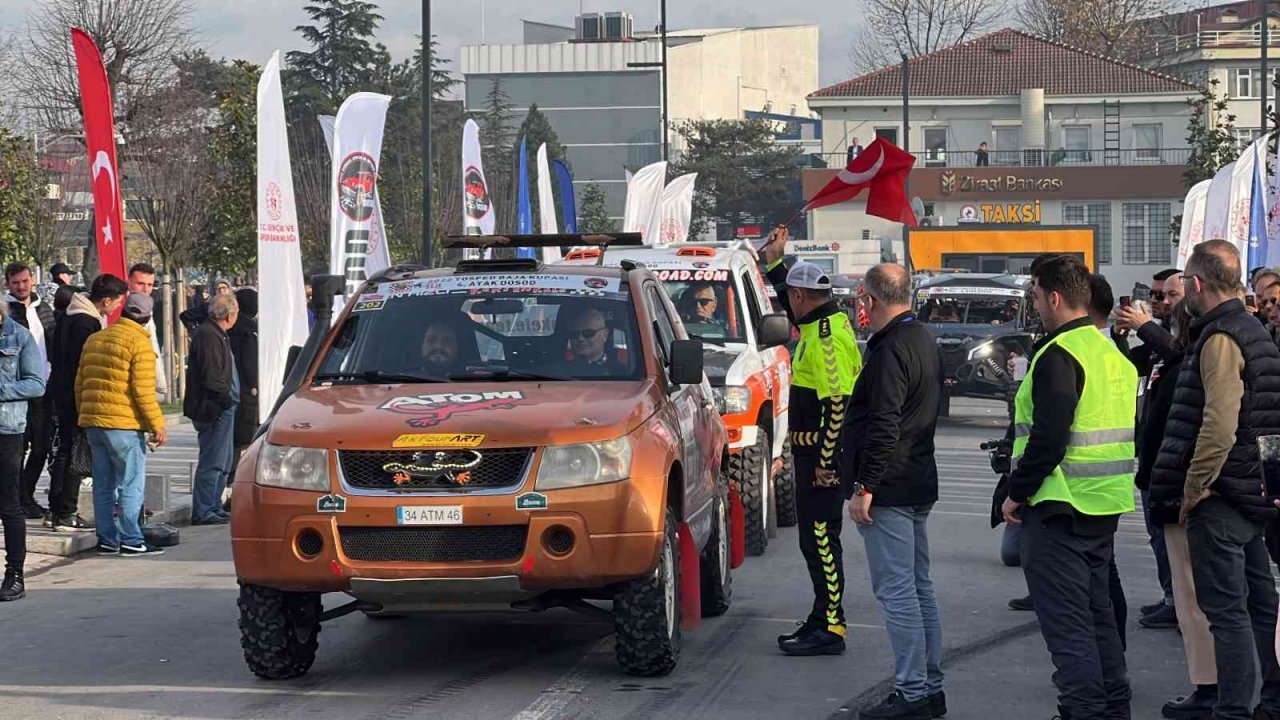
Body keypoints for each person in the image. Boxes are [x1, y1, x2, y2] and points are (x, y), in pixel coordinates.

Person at [1001, 255, 1136, 720]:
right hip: (1103, 506)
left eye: (1036, 296)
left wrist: (1015, 492)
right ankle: (1114, 710)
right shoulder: (1110, 354)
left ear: (1054, 297)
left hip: (1059, 507)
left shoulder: (1058, 355)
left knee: (1070, 631)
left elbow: (1049, 438)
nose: (1035, 305)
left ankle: (1084, 712)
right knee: (1099, 624)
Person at [1150, 240, 1280, 720]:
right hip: (1251, 490)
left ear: (1197, 284)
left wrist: (1194, 487)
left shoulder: (1221, 336)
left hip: (1222, 495)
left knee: (1226, 611)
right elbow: (1268, 422)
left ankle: (1232, 710)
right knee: (1261, 605)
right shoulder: (1256, 331)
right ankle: (1270, 699)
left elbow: (1218, 421)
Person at [845, 264, 945, 720]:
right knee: (918, 588)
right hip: (917, 478)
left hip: (892, 486)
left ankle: (913, 692)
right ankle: (928, 686)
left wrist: (866, 486)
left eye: (861, 300)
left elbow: (884, 423)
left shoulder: (889, 350)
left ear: (869, 301)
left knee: (898, 592)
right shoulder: (922, 338)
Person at [762, 227, 862, 657]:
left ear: (803, 300)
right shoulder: (823, 320)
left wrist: (825, 461)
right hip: (812, 455)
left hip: (820, 459)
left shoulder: (824, 340)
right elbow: (792, 298)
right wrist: (774, 262)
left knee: (821, 539)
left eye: (793, 298)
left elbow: (837, 403)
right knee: (814, 539)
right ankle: (823, 615)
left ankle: (832, 625)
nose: (790, 305)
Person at [1111, 272, 1188, 633]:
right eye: (1157, 294)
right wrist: (1120, 337)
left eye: (1170, 294)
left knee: (1171, 537)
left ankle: (1180, 602)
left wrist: (1144, 326)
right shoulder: (1160, 340)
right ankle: (1170, 597)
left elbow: (1179, 355)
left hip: (1174, 459)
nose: (1161, 301)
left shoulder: (1190, 338)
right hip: (1152, 454)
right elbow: (1133, 368)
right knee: (1158, 535)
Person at [75, 292, 168, 557]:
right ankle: (131, 539)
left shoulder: (95, 339)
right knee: (131, 483)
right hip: (124, 424)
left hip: (94, 423)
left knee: (103, 484)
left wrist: (84, 414)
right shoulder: (140, 344)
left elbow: (80, 383)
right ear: (148, 318)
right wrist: (157, 425)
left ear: (123, 311)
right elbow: (143, 391)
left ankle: (107, 539)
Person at [48, 276, 125, 532]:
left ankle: (57, 509)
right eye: (116, 303)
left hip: (63, 391)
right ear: (105, 300)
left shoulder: (73, 314)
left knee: (65, 450)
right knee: (74, 453)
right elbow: (83, 365)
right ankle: (65, 510)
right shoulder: (86, 322)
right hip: (75, 395)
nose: (115, 308)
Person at [0, 300, 48, 600]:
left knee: (8, 504)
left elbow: (36, 384)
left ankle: (15, 574)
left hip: (7, 431)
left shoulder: (19, 337)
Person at [6, 262, 56, 520]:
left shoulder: (44, 309)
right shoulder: (6, 313)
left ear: (33, 280)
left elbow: (54, 341)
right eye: (16, 283)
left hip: (45, 388)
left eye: (25, 281)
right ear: (8, 284)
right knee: (17, 449)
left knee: (41, 447)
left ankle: (26, 494)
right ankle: (14, 500)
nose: (21, 286)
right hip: (18, 390)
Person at [184, 294, 240, 526]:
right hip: (214, 408)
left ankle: (213, 505)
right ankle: (204, 509)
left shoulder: (215, 334)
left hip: (221, 407)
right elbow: (212, 375)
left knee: (223, 460)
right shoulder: (209, 335)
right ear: (230, 315)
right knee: (213, 459)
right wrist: (225, 400)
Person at [127, 263, 167, 403]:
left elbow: (153, 345)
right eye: (141, 284)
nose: (145, 289)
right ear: (129, 281)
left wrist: (160, 382)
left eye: (150, 285)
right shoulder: (121, 305)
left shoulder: (148, 306)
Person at [229, 287, 260, 462]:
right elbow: (250, 361)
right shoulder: (250, 330)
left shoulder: (230, 327)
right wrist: (254, 383)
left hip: (233, 384)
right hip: (246, 387)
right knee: (244, 434)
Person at [565, 308, 621, 374]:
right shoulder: (558, 372)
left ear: (605, 335)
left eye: (588, 333)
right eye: (574, 334)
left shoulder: (623, 373)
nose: (580, 338)